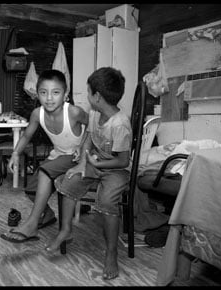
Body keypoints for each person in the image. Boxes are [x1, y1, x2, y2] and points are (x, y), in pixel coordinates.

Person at [46, 67, 132, 281]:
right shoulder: (94, 114)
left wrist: (97, 162)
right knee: (67, 181)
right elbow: (89, 139)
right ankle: (65, 230)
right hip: (96, 163)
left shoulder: (120, 124)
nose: (86, 96)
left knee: (107, 201)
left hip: (117, 170)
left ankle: (111, 251)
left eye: (88, 92)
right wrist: (83, 163)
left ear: (97, 96)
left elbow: (123, 160)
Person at [0, 69, 88, 243]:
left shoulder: (74, 112)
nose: (49, 98)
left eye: (55, 93)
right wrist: (16, 153)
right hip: (59, 155)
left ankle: (31, 225)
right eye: (43, 93)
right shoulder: (37, 114)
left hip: (77, 156)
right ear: (37, 95)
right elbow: (26, 135)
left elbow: (94, 125)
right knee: (31, 188)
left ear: (65, 95)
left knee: (44, 172)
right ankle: (47, 215)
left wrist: (82, 145)